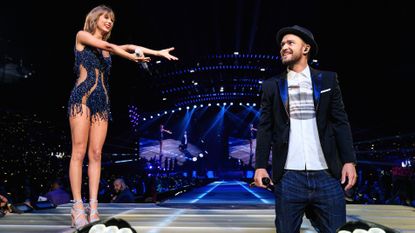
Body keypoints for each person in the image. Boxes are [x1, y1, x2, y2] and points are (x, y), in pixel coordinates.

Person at [67, 5, 178, 229]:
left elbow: (130, 46)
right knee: (79, 151)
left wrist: (157, 53)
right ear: (94, 18)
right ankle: (78, 206)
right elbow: (109, 45)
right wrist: (132, 58)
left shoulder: (111, 49)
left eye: (112, 20)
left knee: (96, 154)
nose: (109, 22)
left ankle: (94, 206)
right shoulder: (83, 36)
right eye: (105, 18)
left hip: (102, 104)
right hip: (81, 99)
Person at [254, 25, 357, 233]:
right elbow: (265, 128)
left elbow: (340, 122)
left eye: (290, 43)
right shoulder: (271, 85)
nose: (284, 47)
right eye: (282, 44)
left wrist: (349, 160)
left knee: (338, 230)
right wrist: (261, 166)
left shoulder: (328, 80)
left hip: (327, 174)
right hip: (289, 177)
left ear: (306, 48)